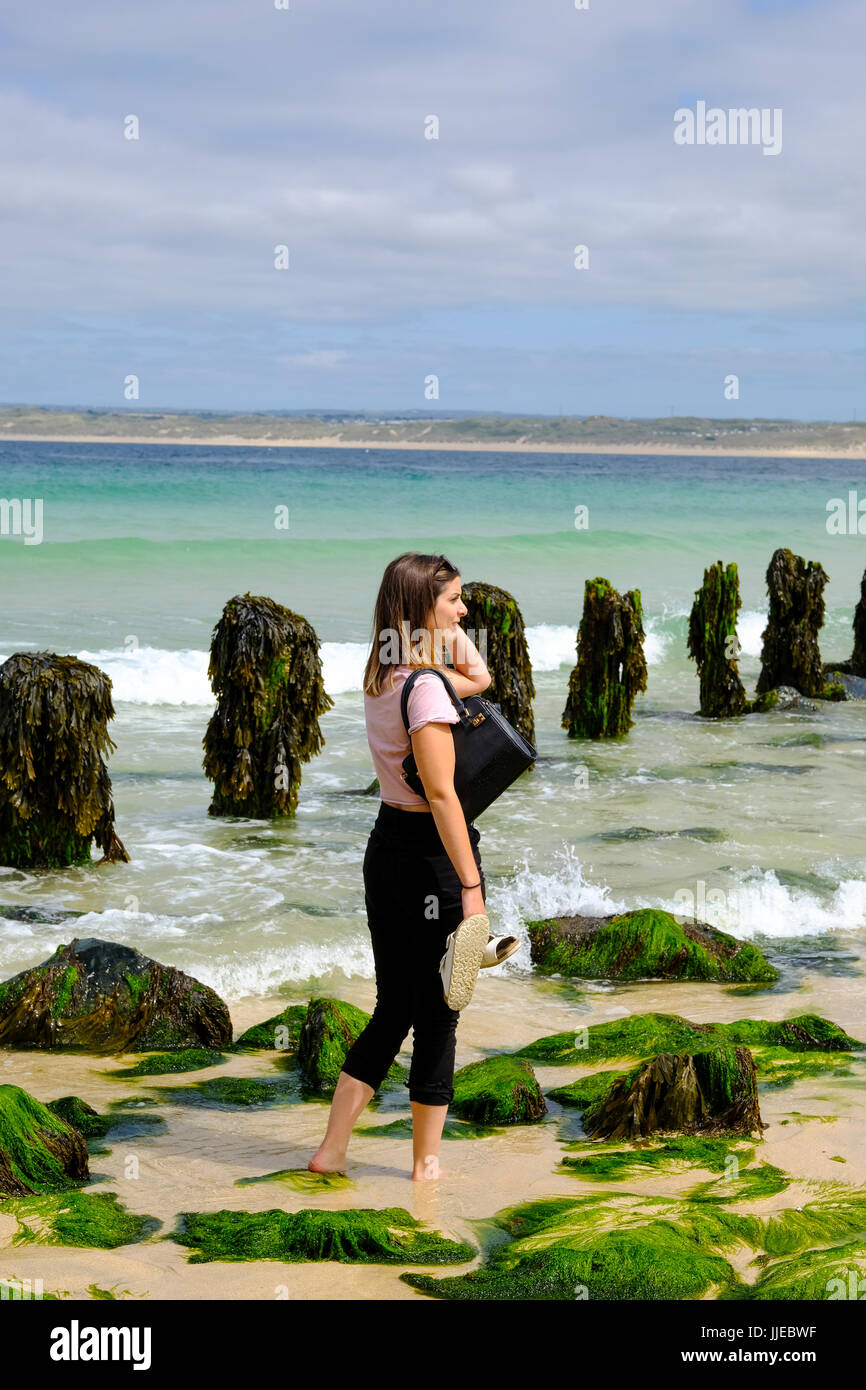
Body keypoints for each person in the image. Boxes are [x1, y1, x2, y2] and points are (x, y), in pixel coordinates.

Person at [308, 551, 500, 1181]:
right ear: (422, 607)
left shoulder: (388, 678)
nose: (465, 611)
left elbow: (483, 676)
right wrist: (471, 888)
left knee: (394, 1006)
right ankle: (426, 1166)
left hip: (385, 850)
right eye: (454, 601)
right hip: (432, 859)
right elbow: (443, 795)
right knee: (441, 1010)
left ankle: (332, 1151)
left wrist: (437, 628)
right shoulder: (426, 692)